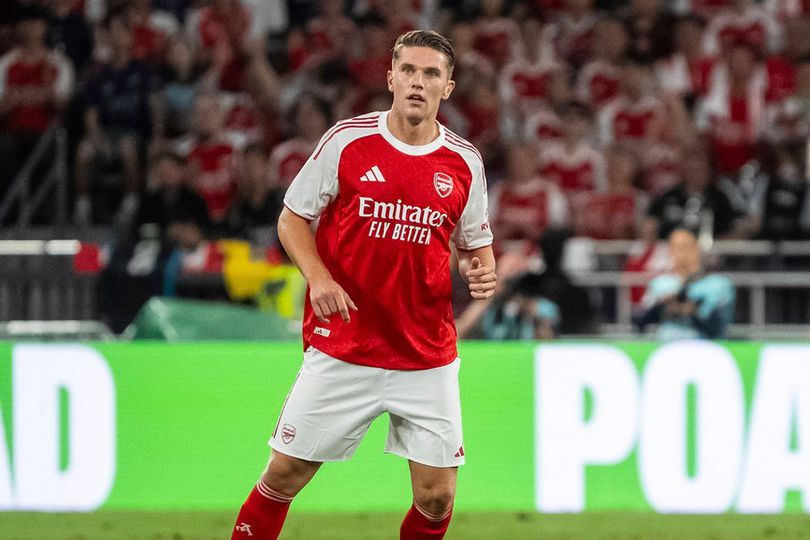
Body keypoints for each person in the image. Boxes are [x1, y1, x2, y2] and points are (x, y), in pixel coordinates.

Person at [230, 30, 495, 540]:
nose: (417, 82)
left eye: (431, 74)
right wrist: (319, 278)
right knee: (284, 475)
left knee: (437, 498)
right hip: (345, 344)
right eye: (409, 70)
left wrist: (479, 268)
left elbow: (475, 245)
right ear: (390, 77)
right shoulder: (347, 141)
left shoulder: (465, 162)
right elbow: (291, 219)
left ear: (448, 88)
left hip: (425, 352)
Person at [634, 227, 736, 340]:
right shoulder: (660, 284)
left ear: (697, 248)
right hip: (668, 347)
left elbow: (719, 327)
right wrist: (661, 307)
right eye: (674, 247)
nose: (679, 252)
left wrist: (692, 311)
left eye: (685, 246)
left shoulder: (718, 285)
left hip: (705, 347)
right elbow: (640, 323)